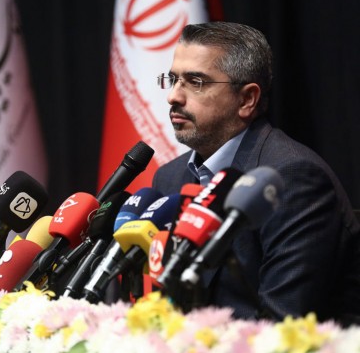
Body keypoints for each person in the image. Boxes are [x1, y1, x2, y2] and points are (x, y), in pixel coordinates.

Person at [152, 21, 360, 326]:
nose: (173, 96)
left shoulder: (291, 177)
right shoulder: (169, 178)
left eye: (195, 82)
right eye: (172, 80)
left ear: (247, 99)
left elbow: (282, 322)